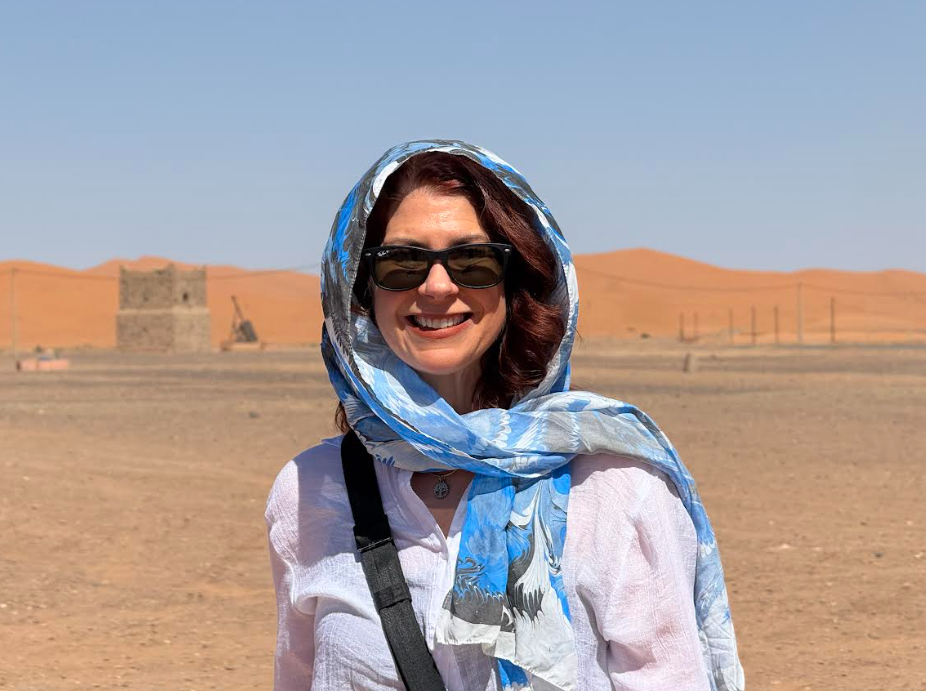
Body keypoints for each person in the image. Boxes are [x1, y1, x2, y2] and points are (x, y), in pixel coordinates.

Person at [265, 141, 745, 691]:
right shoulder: (310, 490)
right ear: (359, 288)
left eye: (473, 261)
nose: (437, 286)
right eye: (401, 263)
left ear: (517, 283)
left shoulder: (615, 490)